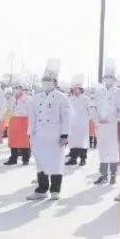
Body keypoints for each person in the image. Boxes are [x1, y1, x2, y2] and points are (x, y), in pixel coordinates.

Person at [25, 59, 71, 201]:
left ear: (55, 82)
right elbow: (32, 117)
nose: (46, 82)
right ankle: (42, 190)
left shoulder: (62, 97)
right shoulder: (36, 97)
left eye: (49, 80)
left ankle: (55, 191)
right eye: (44, 79)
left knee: (56, 162)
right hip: (39, 134)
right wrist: (30, 133)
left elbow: (66, 117)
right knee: (41, 162)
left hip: (55, 135)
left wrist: (64, 135)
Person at [93, 62, 120, 184]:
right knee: (102, 150)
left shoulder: (119, 92)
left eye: (111, 77)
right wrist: (97, 121)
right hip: (100, 126)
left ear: (114, 79)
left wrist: (111, 119)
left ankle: (113, 175)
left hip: (113, 126)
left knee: (113, 151)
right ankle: (103, 175)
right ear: (104, 79)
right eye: (106, 77)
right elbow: (93, 108)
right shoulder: (98, 92)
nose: (108, 79)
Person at [65, 75, 93, 166]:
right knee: (73, 142)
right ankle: (73, 158)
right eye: (74, 89)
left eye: (77, 89)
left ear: (81, 89)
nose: (76, 90)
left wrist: (89, 119)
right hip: (72, 125)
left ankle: (83, 159)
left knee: (82, 142)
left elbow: (91, 111)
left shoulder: (86, 99)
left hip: (82, 124)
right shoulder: (69, 99)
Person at [3, 82, 32, 165]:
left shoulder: (27, 99)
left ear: (21, 89)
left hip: (23, 121)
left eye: (18, 88)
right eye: (15, 88)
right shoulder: (12, 99)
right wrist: (5, 122)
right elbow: (8, 110)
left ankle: (25, 159)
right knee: (13, 140)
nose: (16, 90)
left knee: (24, 141)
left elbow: (31, 112)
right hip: (13, 121)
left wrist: (31, 124)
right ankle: (13, 158)